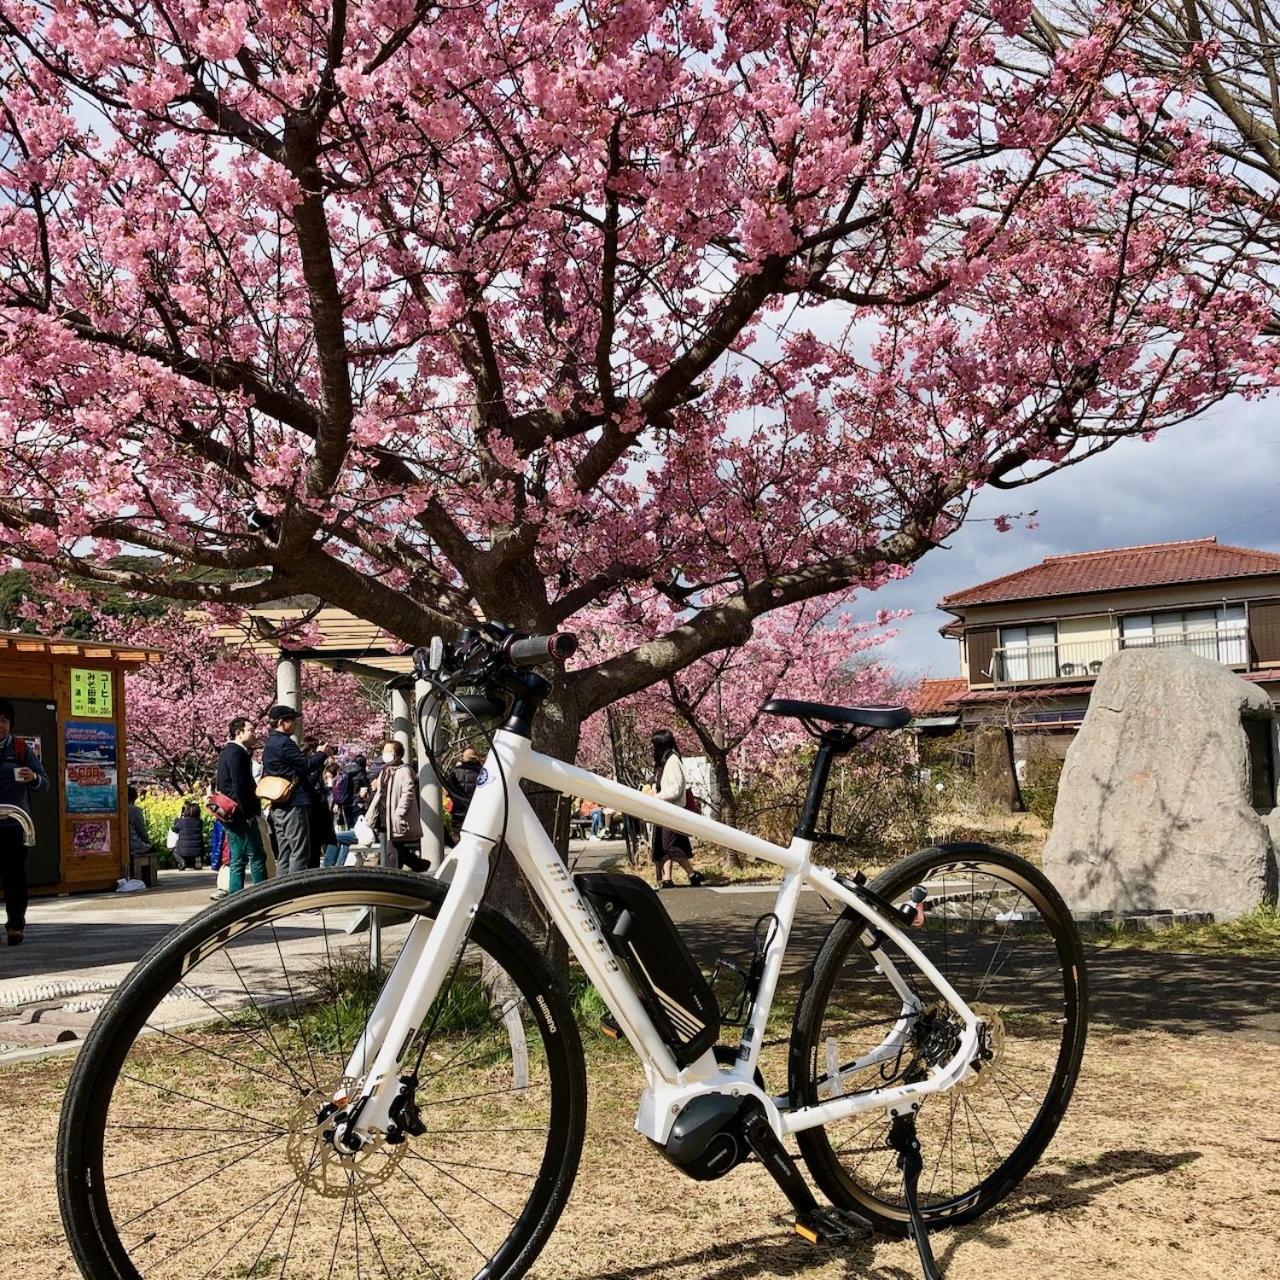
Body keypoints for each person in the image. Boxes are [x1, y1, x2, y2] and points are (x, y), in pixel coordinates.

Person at [0, 697, 49, 945]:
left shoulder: (20, 750)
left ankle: (15, 926)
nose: (0, 725)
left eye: (4, 720)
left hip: (14, 825)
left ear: (10, 723)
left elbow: (44, 782)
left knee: (15, 877)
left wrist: (33, 778)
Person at [216, 716, 269, 893]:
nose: (255, 734)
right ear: (239, 733)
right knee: (256, 855)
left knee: (237, 857)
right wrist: (248, 813)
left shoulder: (227, 751)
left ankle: (235, 895)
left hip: (230, 813)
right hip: (242, 813)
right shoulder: (238, 754)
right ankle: (261, 893)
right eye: (251, 730)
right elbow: (240, 786)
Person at [261, 705, 313, 876]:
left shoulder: (270, 743)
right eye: (292, 720)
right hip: (292, 801)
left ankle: (280, 889)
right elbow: (305, 766)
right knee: (299, 849)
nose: (296, 724)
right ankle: (295, 889)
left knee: (284, 851)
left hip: (278, 802)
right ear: (282, 722)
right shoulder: (284, 743)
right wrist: (322, 755)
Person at [650, 729, 704, 889]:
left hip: (671, 811)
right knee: (663, 845)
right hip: (663, 810)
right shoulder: (666, 761)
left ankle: (693, 874)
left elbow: (675, 789)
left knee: (668, 846)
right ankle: (668, 878)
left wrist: (656, 797)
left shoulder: (673, 761)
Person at [367, 740, 427, 871]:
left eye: (389, 751)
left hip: (395, 814)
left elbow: (408, 793)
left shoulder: (404, 771)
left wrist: (400, 812)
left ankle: (409, 867)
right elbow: (381, 793)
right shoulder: (384, 770)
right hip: (384, 815)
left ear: (398, 754)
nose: (386, 754)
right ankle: (414, 865)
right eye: (385, 751)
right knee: (393, 847)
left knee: (392, 848)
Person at [448, 747, 483, 843]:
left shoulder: (455, 772)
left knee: (458, 837)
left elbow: (449, 791)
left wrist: (457, 799)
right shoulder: (482, 772)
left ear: (463, 758)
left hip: (459, 812)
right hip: (476, 811)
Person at [168, 800, 205, 870]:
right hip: (198, 851)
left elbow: (174, 829)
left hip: (183, 851)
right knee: (194, 848)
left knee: (173, 850)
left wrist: (178, 818)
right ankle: (197, 861)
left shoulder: (181, 821)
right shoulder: (200, 822)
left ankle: (182, 862)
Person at [338, 754, 370, 828]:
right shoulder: (361, 772)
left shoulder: (344, 770)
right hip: (357, 801)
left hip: (345, 801)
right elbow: (366, 786)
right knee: (359, 825)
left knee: (349, 825)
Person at [126, 784, 152, 865]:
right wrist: (149, 843)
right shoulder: (133, 810)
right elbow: (141, 832)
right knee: (151, 849)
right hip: (133, 846)